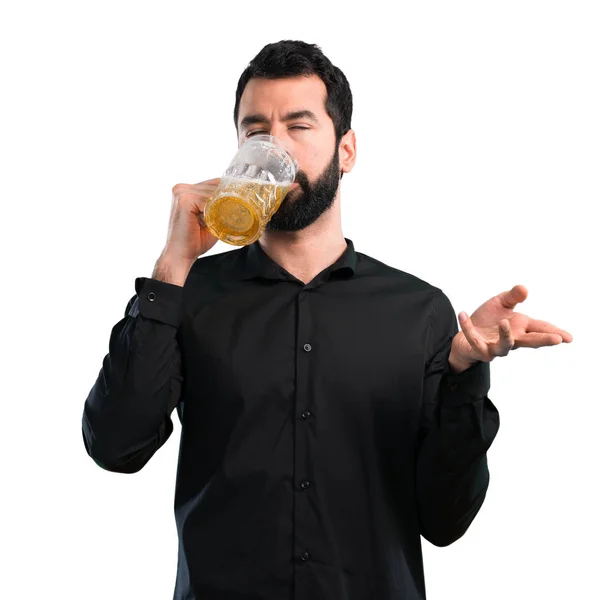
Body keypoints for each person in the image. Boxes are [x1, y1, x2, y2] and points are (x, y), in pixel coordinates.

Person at [81, 40, 573, 600]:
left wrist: (463, 373)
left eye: (298, 126)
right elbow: (115, 446)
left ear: (346, 150)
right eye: (255, 130)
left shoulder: (417, 311)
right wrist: (171, 270)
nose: (275, 147)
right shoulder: (190, 297)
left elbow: (445, 521)